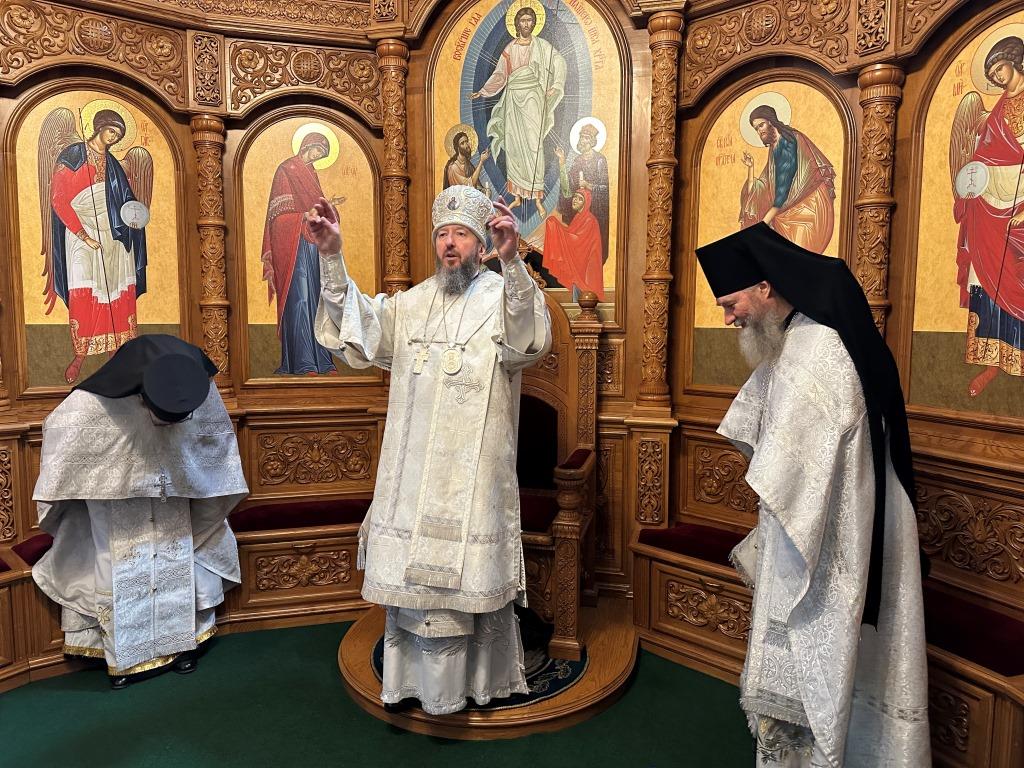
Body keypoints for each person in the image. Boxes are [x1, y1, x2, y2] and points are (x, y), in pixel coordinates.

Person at [695, 223, 930, 767]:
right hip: (838, 530)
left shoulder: (813, 353)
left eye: (731, 304)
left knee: (817, 673)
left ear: (764, 288)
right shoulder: (804, 336)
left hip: (824, 548)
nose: (728, 318)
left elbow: (788, 472)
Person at [312, 184, 551, 715]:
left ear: (481, 244)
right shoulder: (412, 302)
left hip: (475, 469)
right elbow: (360, 330)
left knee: (470, 580)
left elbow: (528, 339)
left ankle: (476, 684)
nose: (450, 244)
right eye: (443, 234)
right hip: (415, 469)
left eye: (461, 234)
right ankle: (412, 684)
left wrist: (513, 261)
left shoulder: (502, 294)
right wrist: (331, 255)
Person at [31, 335, 248, 688]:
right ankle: (123, 657)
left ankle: (182, 646)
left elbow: (215, 439)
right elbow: (60, 434)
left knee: (176, 559)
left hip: (174, 493)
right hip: (115, 501)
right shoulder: (90, 403)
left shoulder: (200, 386)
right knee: (120, 563)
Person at [43, 108, 150, 384]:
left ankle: (116, 353)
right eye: (111, 131)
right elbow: (58, 199)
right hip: (81, 231)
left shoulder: (114, 165)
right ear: (99, 127)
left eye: (118, 135)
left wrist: (135, 219)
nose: (113, 137)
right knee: (84, 288)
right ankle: (80, 356)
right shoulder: (72, 156)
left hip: (113, 235)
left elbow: (126, 202)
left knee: (115, 290)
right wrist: (84, 235)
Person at [951, 35, 1024, 397]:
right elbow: (983, 156)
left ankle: (1017, 354)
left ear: (1015, 61)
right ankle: (994, 358)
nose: (996, 77)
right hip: (989, 202)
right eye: (991, 73)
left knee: (1015, 271)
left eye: (999, 68)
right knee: (984, 271)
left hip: (1020, 198)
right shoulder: (995, 111)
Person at [261, 132, 345, 375]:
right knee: (300, 299)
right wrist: (304, 216)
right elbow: (277, 216)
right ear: (308, 145)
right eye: (318, 151)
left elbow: (316, 209)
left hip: (313, 245)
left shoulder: (311, 173)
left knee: (318, 300)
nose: (318, 156)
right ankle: (303, 362)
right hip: (293, 246)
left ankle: (323, 361)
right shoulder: (286, 170)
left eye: (323, 154)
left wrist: (329, 206)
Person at [471, 6, 566, 216]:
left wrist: (556, 84)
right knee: (514, 146)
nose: (526, 24)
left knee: (534, 146)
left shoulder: (542, 46)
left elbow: (559, 61)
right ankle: (516, 196)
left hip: (533, 98)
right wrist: (484, 91)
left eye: (529, 20)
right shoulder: (510, 48)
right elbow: (500, 74)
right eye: (522, 20)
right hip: (513, 99)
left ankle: (537, 198)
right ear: (517, 24)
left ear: (534, 23)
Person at [740, 105, 835, 253]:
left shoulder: (788, 142)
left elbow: (782, 191)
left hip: (808, 209)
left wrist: (763, 224)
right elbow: (766, 185)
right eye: (756, 129)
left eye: (761, 125)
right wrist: (751, 168)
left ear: (770, 121)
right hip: (788, 208)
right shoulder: (774, 146)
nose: (760, 131)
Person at [555, 122, 610, 263]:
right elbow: (568, 189)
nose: (582, 140)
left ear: (592, 141)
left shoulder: (600, 160)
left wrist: (588, 185)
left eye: (585, 137)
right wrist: (562, 162)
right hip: (579, 211)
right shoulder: (577, 160)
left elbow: (605, 188)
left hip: (595, 211)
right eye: (581, 137)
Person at [542, 189, 605, 299]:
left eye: (580, 199)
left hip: (585, 266)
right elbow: (571, 234)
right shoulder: (578, 217)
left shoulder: (590, 220)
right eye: (575, 197)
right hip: (578, 263)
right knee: (577, 295)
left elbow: (577, 241)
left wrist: (556, 227)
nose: (575, 200)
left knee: (583, 296)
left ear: (586, 203)